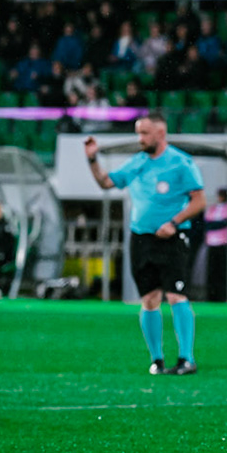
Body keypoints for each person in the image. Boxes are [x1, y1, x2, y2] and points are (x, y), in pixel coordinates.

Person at [84, 112, 206, 374]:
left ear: (161, 134)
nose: (140, 138)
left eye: (145, 133)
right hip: (141, 239)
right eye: (138, 132)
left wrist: (173, 222)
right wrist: (92, 159)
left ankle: (186, 359)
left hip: (172, 239)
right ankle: (157, 360)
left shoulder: (180, 163)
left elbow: (199, 201)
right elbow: (106, 183)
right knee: (149, 298)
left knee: (175, 295)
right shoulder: (137, 163)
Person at [202, 188, 227, 303]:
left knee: (222, 273)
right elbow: (208, 224)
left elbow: (224, 222)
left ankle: (222, 296)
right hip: (212, 244)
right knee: (211, 272)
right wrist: (217, 224)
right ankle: (211, 296)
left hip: (223, 244)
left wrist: (216, 224)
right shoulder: (213, 209)